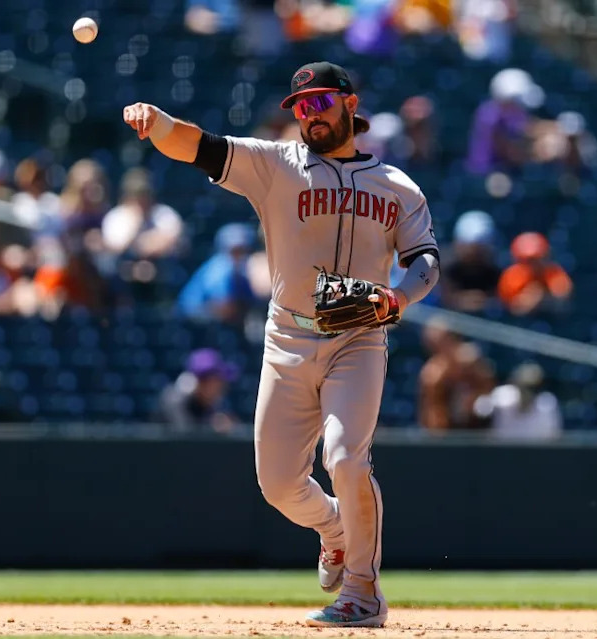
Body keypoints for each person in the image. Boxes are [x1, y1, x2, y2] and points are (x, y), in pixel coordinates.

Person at [123, 60, 440, 627]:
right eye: (300, 107)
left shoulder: (396, 186)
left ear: (350, 103)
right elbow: (200, 146)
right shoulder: (275, 164)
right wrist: (159, 121)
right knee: (277, 484)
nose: (309, 115)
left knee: (344, 456)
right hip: (288, 334)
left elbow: (425, 263)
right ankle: (335, 528)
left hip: (358, 337)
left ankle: (363, 593)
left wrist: (399, 299)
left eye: (320, 103)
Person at [101, 167, 185, 282]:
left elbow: (169, 242)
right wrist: (136, 221)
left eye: (145, 194)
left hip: (160, 270)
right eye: (136, 195)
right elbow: (117, 248)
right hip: (126, 273)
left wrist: (140, 246)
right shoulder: (116, 216)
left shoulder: (164, 213)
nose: (141, 200)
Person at [417, 320, 495, 430]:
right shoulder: (432, 374)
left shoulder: (473, 363)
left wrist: (472, 398)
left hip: (478, 428)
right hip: (447, 434)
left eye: (442, 341)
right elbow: (431, 413)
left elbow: (489, 389)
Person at [466, 68, 544, 175]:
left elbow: (528, 127)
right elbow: (511, 151)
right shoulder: (490, 116)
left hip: (505, 171)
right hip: (487, 174)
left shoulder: (513, 112)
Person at [177, 222, 258, 326]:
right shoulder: (219, 267)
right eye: (236, 250)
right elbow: (222, 306)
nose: (240, 254)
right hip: (192, 320)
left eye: (243, 249)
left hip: (212, 320)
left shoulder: (241, 268)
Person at [156, 348, 239, 433]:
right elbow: (184, 436)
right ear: (202, 382)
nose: (222, 388)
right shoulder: (174, 401)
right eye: (217, 382)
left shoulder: (208, 404)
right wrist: (212, 428)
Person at [475, 361, 562, 440]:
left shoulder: (547, 405)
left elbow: (553, 438)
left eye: (531, 388)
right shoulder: (503, 396)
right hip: (501, 453)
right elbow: (479, 410)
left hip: (536, 455)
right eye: (524, 387)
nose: (527, 392)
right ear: (517, 385)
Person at [497, 232, 573, 315]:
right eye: (528, 260)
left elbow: (562, 302)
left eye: (536, 259)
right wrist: (530, 298)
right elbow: (511, 308)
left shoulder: (553, 273)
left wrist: (542, 296)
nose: (533, 264)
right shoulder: (512, 276)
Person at [440, 210, 501, 312]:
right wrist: (460, 301)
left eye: (479, 250)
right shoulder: (441, 267)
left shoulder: (495, 270)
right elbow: (438, 300)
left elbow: (500, 300)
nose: (473, 255)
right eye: (469, 247)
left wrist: (485, 302)